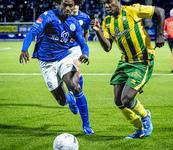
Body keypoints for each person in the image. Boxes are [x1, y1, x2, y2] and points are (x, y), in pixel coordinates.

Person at [91, 0, 165, 138]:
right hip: (125, 62)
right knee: (118, 101)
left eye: (109, 2)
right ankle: (139, 128)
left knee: (126, 99)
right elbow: (107, 47)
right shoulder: (107, 21)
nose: (106, 5)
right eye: (104, 3)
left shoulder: (132, 10)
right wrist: (98, 32)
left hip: (142, 61)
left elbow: (160, 11)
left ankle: (145, 116)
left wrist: (160, 34)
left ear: (117, 1)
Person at [19, 0, 94, 134]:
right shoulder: (48, 16)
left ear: (73, 7)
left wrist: (85, 54)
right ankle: (69, 99)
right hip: (46, 63)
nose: (67, 8)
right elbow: (32, 32)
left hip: (63, 58)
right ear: (60, 4)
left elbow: (83, 43)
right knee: (61, 101)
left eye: (70, 5)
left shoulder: (74, 24)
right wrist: (24, 49)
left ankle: (86, 125)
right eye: (64, 4)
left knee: (75, 86)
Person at [65, 1, 94, 134]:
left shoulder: (85, 18)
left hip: (77, 48)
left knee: (77, 70)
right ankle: (72, 96)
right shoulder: (63, 16)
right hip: (63, 48)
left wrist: (85, 46)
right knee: (67, 75)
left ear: (78, 6)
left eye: (75, 5)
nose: (74, 7)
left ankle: (73, 95)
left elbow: (86, 31)